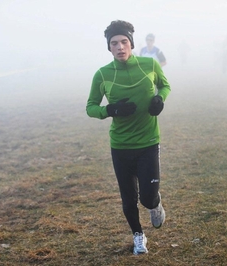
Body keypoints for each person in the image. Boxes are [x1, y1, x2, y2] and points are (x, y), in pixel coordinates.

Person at [86, 20, 171, 255]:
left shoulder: (149, 64)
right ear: (109, 47)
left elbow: (165, 85)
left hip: (148, 142)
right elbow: (91, 107)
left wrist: (159, 99)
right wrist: (110, 110)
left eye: (124, 41)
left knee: (147, 197)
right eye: (114, 43)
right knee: (128, 198)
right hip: (121, 146)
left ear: (131, 43)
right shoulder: (102, 74)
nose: (120, 47)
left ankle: (155, 204)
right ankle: (138, 235)